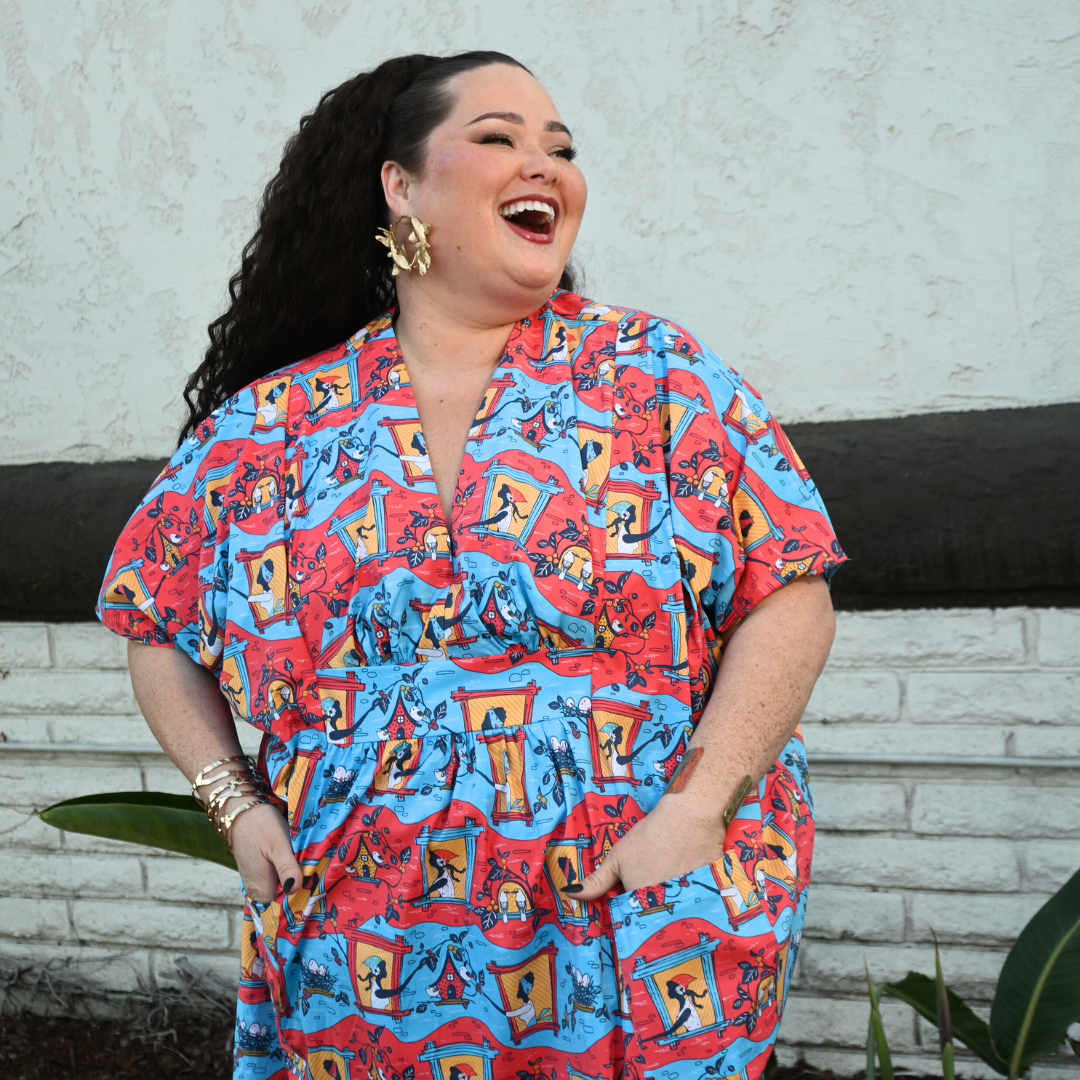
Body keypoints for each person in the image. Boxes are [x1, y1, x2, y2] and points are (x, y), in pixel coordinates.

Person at [97, 51, 844, 1080]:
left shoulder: (656, 376)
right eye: (498, 138)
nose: (545, 164)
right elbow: (155, 617)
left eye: (562, 148)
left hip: (639, 904)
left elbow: (790, 593)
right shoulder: (273, 425)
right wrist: (234, 802)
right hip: (368, 939)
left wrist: (697, 811)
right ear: (401, 188)